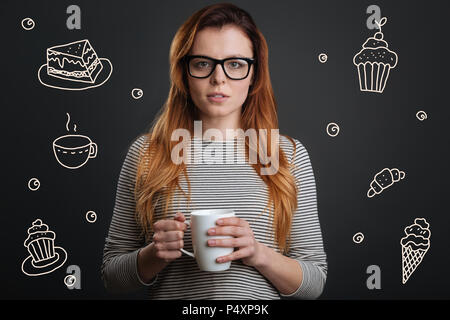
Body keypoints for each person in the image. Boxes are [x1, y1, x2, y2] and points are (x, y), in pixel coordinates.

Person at [101, 3, 327, 300]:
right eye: (203, 63)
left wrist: (258, 253)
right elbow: (112, 277)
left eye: (235, 64)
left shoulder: (287, 155)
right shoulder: (146, 153)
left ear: (253, 74)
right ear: (185, 73)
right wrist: (154, 255)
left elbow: (314, 282)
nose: (218, 78)